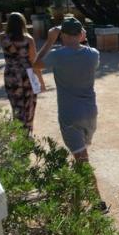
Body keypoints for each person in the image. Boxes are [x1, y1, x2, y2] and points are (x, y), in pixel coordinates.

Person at [34, 17, 105, 210]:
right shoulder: (93, 55)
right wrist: (80, 37)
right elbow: (85, 48)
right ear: (82, 34)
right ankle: (77, 193)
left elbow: (36, 64)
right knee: (81, 155)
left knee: (82, 161)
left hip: (69, 116)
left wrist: (49, 40)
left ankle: (99, 203)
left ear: (62, 35)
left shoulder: (58, 55)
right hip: (90, 114)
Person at [0, 12, 45, 133]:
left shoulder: (3, 37)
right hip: (26, 76)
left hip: (10, 74)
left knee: (16, 105)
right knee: (28, 105)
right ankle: (27, 131)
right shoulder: (28, 40)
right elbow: (34, 62)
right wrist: (41, 82)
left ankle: (18, 131)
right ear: (23, 23)